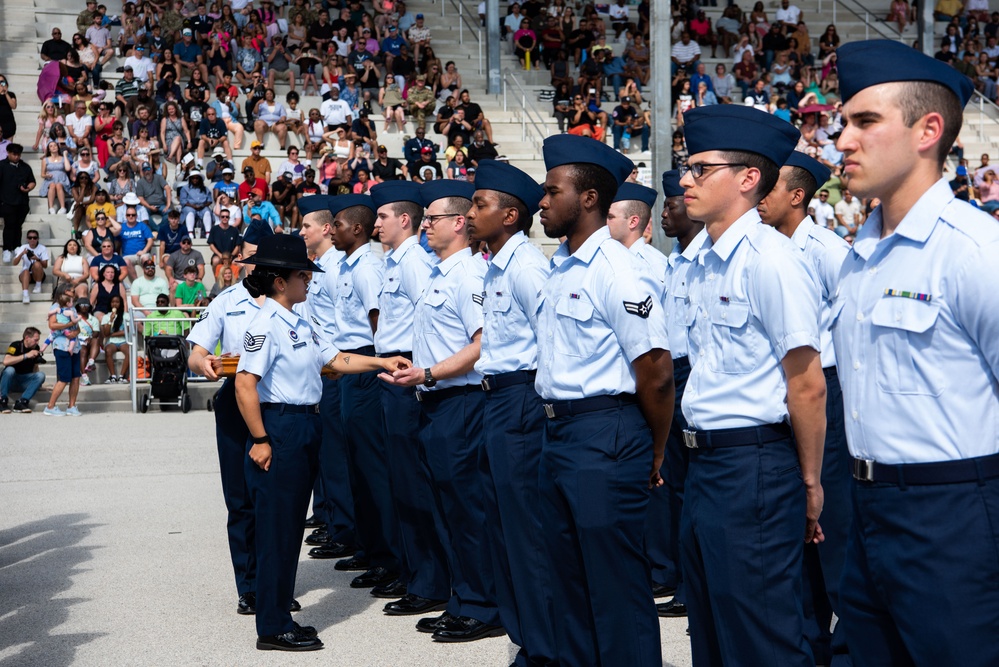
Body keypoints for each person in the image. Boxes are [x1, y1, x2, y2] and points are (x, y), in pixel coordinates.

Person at [831, 39, 999, 666]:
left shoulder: (976, 251)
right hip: (868, 513)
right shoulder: (861, 257)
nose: (842, 140)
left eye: (865, 121)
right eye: (843, 123)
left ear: (929, 130)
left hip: (954, 518)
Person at [677, 104, 825, 667]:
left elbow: (806, 383)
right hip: (706, 465)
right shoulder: (703, 263)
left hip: (754, 465)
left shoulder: (771, 260)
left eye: (701, 169)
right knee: (712, 630)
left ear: (747, 179)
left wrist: (810, 482)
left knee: (762, 634)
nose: (687, 180)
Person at [534, 135, 673, 666]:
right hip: (560, 433)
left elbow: (656, 372)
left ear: (588, 198)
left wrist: (654, 449)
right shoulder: (562, 267)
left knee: (615, 589)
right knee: (566, 584)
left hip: (604, 434)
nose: (542, 201)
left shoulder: (617, 269)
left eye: (552, 191)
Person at [233, 233, 409, 651]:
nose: (308, 283)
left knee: (290, 524)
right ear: (281, 282)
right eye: (302, 276)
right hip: (281, 427)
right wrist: (260, 439)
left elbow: (334, 359)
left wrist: (381, 360)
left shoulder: (298, 319)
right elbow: (244, 384)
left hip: (304, 427)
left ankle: (279, 617)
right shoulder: (265, 324)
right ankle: (273, 627)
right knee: (277, 528)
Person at [379, 180, 503, 643]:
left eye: (431, 218)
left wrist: (428, 373)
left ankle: (482, 605)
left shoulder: (469, 274)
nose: (424, 225)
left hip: (460, 401)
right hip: (434, 400)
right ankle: (462, 597)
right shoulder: (438, 272)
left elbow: (481, 342)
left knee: (467, 511)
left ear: (458, 223)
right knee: (445, 507)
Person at [757, 151, 852, 664]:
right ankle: (809, 642)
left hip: (825, 392)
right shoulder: (763, 249)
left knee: (831, 527)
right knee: (796, 526)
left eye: (770, 189)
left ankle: (847, 645)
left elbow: (851, 325)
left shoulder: (827, 250)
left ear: (796, 195)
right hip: (783, 395)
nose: (760, 198)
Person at [464, 160, 556, 664]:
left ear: (511, 215)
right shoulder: (498, 265)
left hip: (522, 400)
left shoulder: (526, 268)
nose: (471, 213)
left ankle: (544, 648)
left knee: (526, 536)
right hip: (496, 398)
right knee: (501, 529)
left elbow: (550, 344)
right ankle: (526, 638)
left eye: (480, 205)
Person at [365, 181, 451, 615]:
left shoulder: (415, 261)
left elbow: (427, 322)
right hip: (390, 371)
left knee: (414, 483)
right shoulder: (396, 261)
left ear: (404, 220)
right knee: (400, 480)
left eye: (382, 217)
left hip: (407, 372)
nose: (374, 223)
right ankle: (416, 572)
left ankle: (431, 581)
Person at [186, 220, 270, 618]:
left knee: (276, 501)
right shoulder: (226, 301)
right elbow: (196, 351)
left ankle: (276, 583)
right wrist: (204, 361)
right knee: (241, 501)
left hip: (277, 402)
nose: (247, 265)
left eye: (254, 258)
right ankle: (250, 586)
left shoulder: (290, 299)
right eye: (244, 258)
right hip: (235, 400)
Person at [605, 181, 675, 599]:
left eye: (611, 216)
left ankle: (663, 567)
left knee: (658, 477)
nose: (604, 222)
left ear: (634, 221)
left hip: (646, 380)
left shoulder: (644, 265)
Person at [655, 169, 708, 620]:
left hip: (696, 374)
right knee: (673, 486)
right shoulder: (673, 260)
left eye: (670, 206)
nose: (664, 215)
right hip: (671, 375)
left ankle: (696, 583)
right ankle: (680, 575)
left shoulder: (705, 259)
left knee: (694, 487)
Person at [294, 195, 353, 560]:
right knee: (327, 453)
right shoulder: (319, 267)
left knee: (336, 455)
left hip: (337, 369)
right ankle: (332, 519)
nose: (302, 232)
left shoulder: (335, 269)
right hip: (324, 369)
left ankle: (344, 529)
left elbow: (348, 327)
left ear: (327, 229)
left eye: (306, 226)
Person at [45, 290, 84, 416]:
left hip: (75, 346)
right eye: (70, 291)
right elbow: (52, 325)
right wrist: (69, 324)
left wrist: (75, 332)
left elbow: (77, 327)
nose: (73, 293)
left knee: (75, 377)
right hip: (62, 346)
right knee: (63, 378)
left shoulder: (72, 308)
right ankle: (50, 406)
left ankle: (71, 406)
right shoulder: (55, 307)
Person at [0, 145, 37, 264]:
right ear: (8, 153)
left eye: (18, 155)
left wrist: (28, 188)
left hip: (22, 201)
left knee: (18, 225)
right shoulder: (1, 166)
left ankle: (17, 246)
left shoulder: (25, 167)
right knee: (9, 224)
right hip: (6, 201)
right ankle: (6, 249)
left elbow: (32, 181)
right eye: (14, 154)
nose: (16, 157)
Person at [2, 327, 45, 414]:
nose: (37, 342)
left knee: (41, 375)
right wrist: (26, 355)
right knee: (9, 369)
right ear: (27, 338)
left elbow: (35, 366)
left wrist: (38, 384)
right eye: (35, 340)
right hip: (11, 381)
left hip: (24, 381)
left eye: (38, 340)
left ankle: (22, 402)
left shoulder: (36, 347)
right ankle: (2, 400)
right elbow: (6, 361)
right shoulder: (15, 345)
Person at [13, 230, 50, 305]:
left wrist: (37, 259)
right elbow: (14, 263)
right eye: (30, 238)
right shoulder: (23, 247)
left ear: (38, 239)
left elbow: (45, 266)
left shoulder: (42, 248)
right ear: (27, 239)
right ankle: (25, 295)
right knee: (26, 271)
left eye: (34, 237)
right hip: (26, 275)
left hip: (38, 274)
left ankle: (38, 286)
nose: (32, 240)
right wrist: (21, 254)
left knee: (37, 264)